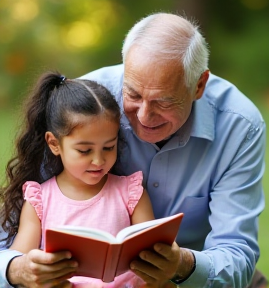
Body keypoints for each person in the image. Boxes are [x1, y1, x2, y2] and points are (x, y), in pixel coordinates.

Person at [0, 12, 268, 288]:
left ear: (198, 85)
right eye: (134, 95)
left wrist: (181, 265)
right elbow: (8, 246)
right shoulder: (84, 106)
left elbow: (237, 253)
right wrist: (18, 270)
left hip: (195, 274)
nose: (144, 116)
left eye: (163, 102)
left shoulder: (239, 126)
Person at [0, 71, 155, 287]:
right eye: (84, 151)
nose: (98, 160)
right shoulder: (39, 201)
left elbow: (153, 257)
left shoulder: (131, 193)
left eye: (108, 147)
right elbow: (22, 263)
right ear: (54, 144)